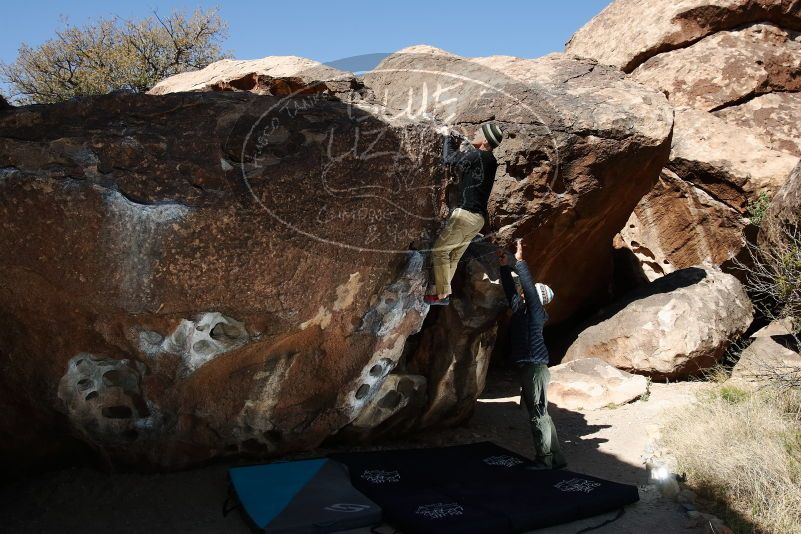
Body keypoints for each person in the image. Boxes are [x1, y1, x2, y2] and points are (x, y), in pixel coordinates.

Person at [497, 239, 567, 469]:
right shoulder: (522, 312)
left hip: (535, 368)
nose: (523, 294)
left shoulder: (536, 312)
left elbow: (527, 287)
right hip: (530, 368)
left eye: (529, 294)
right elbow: (511, 292)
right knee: (541, 412)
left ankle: (544, 459)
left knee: (538, 414)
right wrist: (504, 267)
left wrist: (519, 261)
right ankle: (556, 458)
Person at [424, 121, 504, 306]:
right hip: (477, 220)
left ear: (485, 139)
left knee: (440, 250)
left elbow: (449, 160)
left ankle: (442, 294)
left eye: (478, 132)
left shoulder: (478, 155)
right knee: (453, 255)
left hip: (466, 216)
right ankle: (440, 294)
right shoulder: (491, 161)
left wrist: (446, 138)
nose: (474, 133)